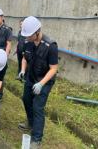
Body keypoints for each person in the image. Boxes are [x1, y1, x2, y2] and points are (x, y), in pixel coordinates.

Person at [18, 16, 58, 149]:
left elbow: (53, 69)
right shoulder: (28, 42)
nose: (27, 38)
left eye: (29, 35)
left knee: (37, 107)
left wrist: (41, 84)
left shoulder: (50, 46)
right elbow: (25, 58)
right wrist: (23, 71)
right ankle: (30, 123)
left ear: (37, 32)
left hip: (44, 82)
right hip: (31, 77)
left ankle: (36, 139)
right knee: (26, 99)